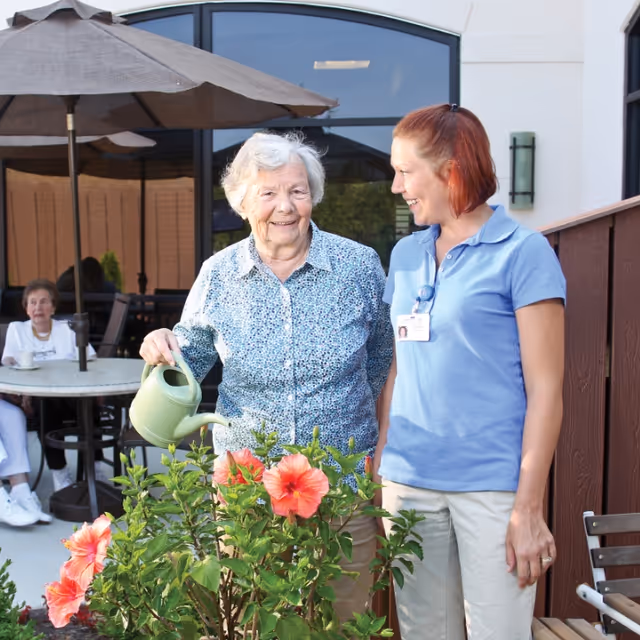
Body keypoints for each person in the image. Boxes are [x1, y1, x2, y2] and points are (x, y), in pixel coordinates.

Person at [140, 131, 393, 622]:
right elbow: (187, 360)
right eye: (269, 192)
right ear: (242, 202)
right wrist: (160, 345)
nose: (286, 207)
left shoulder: (359, 267)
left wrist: (376, 452)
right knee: (255, 619)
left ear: (313, 196)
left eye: (297, 191)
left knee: (343, 618)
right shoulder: (217, 274)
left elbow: (384, 360)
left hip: (341, 479)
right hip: (247, 485)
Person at [375, 104, 566, 639]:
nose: (396, 186)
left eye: (405, 171)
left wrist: (528, 508)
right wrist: (384, 458)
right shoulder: (406, 255)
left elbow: (547, 391)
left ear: (450, 168)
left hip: (492, 489)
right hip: (409, 484)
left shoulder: (524, 253)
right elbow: (397, 366)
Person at [0, 279, 106, 523]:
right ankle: (60, 472)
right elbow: (7, 362)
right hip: (42, 397)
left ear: (53, 307)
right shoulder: (17, 329)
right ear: (26, 308)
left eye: (44, 301)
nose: (38, 307)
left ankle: (96, 466)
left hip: (71, 393)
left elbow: (91, 356)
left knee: (88, 402)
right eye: (33, 302)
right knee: (45, 407)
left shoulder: (66, 329)